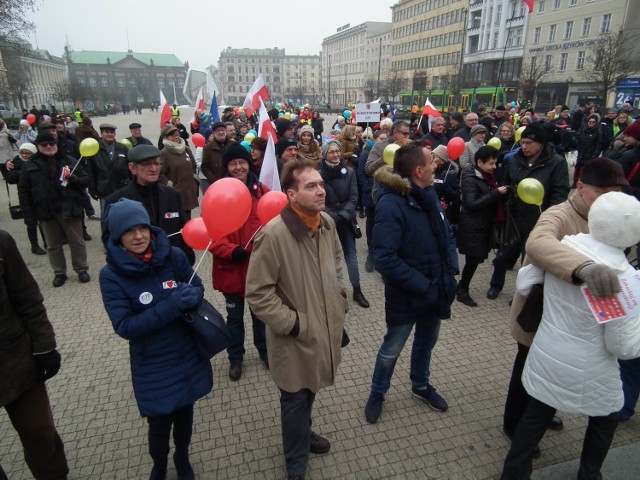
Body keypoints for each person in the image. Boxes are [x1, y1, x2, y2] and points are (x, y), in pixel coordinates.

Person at [500, 191, 640, 479]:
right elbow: (622, 346)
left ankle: (513, 473)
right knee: (605, 419)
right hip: (593, 368)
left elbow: (525, 283)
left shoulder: (564, 248)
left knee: (535, 415)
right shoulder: (622, 278)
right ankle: (589, 473)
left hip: (547, 352)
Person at [246, 159, 348, 480]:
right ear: (291, 195)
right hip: (295, 338)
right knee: (294, 401)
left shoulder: (327, 223)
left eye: (321, 184)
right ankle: (295, 464)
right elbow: (258, 294)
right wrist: (296, 325)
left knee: (311, 389)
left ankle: (305, 433)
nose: (321, 191)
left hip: (325, 330)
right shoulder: (273, 236)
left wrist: (342, 296)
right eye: (311, 186)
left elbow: (338, 262)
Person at [100, 198, 212, 480]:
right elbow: (125, 325)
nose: (138, 236)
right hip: (153, 363)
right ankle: (160, 464)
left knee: (186, 415)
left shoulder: (172, 256)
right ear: (116, 236)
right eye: (129, 231)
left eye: (142, 228)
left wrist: (193, 295)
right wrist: (172, 305)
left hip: (186, 352)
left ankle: (182, 458)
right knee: (159, 424)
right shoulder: (111, 275)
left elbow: (197, 287)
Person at [364, 142, 458, 424]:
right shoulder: (392, 204)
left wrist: (450, 272)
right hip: (409, 295)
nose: (435, 165)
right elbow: (385, 259)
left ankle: (420, 385)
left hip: (435, 289)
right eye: (431, 162)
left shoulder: (428, 194)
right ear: (419, 170)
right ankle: (377, 392)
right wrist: (424, 285)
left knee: (426, 342)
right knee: (392, 348)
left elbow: (446, 235)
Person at [0, 229, 69, 480]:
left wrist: (44, 346)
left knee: (40, 432)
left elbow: (27, 297)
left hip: (14, 359)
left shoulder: (2, 241)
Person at [487, 123, 570, 300]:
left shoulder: (556, 163)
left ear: (541, 144)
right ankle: (495, 285)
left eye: (529, 143)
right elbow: (507, 182)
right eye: (523, 142)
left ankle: (523, 294)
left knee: (530, 261)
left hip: (538, 220)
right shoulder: (515, 159)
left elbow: (560, 194)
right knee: (502, 256)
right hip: (514, 217)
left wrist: (550, 219)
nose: (524, 146)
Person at [210, 143, 270, 381]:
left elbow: (273, 222)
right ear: (227, 167)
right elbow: (210, 235)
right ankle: (235, 358)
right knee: (234, 318)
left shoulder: (262, 191)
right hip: (231, 268)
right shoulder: (218, 192)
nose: (238, 167)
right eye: (233, 163)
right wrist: (230, 250)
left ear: (249, 164)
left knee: (260, 315)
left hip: (257, 268)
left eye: (242, 162)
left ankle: (265, 352)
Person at [18, 132, 91, 287]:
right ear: (38, 147)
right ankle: (59, 273)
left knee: (77, 242)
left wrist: (76, 179)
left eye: (51, 144)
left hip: (70, 209)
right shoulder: (30, 165)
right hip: (46, 212)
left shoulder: (69, 160)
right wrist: (28, 215)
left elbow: (86, 180)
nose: (49, 147)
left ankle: (81, 269)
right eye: (44, 145)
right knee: (52, 245)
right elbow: (24, 192)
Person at [102, 144, 195, 265]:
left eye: (156, 164)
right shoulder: (116, 200)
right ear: (132, 168)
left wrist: (187, 259)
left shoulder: (173, 195)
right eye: (147, 164)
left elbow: (183, 231)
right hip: (140, 269)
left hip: (172, 265)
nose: (154, 169)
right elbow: (109, 240)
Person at [456, 146, 509, 307]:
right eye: (491, 163)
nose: (494, 167)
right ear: (480, 162)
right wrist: (495, 194)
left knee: (476, 260)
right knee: (472, 260)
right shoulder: (471, 179)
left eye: (495, 163)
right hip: (473, 227)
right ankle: (462, 290)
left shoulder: (488, 177)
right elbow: (471, 204)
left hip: (483, 225)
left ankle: (462, 287)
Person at [320, 140, 370, 308]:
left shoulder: (349, 172)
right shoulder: (319, 174)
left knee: (351, 257)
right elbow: (319, 200)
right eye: (331, 152)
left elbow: (354, 197)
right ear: (325, 154)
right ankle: (333, 291)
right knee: (329, 259)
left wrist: (343, 216)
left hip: (346, 221)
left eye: (337, 151)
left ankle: (357, 290)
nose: (335, 154)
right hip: (327, 222)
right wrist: (333, 217)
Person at [5, 143, 47, 255]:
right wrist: (22, 171)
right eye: (23, 153)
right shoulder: (16, 161)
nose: (25, 155)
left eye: (28, 153)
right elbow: (9, 178)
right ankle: (34, 246)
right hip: (25, 196)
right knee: (31, 222)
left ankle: (47, 242)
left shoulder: (39, 161)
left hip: (40, 195)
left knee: (43, 219)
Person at [86, 123, 130, 216]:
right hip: (104, 190)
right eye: (107, 132)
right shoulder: (95, 149)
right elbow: (91, 171)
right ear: (101, 133)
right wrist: (92, 189)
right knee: (106, 216)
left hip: (122, 188)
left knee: (124, 216)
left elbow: (130, 168)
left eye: (112, 132)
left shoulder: (122, 148)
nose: (109, 134)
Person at [158, 124, 199, 220]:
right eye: (172, 135)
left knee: (187, 218)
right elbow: (160, 173)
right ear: (165, 137)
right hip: (175, 192)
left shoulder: (186, 149)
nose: (176, 137)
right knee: (177, 219)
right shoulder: (164, 153)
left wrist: (194, 179)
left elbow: (193, 166)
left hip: (188, 191)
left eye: (177, 134)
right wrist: (169, 184)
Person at [201, 121, 231, 194]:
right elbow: (204, 167)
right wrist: (213, 179)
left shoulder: (233, 145)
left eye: (222, 130)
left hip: (232, 181)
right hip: (217, 183)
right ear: (214, 133)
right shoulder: (208, 148)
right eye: (218, 130)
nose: (221, 132)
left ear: (226, 131)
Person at [574, 113, 603, 185]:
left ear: (596, 123)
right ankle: (575, 182)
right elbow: (578, 140)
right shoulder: (583, 130)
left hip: (591, 154)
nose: (591, 123)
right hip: (581, 153)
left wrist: (595, 154)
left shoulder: (598, 132)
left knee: (587, 170)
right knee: (577, 168)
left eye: (593, 122)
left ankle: (584, 183)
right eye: (590, 122)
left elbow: (599, 144)